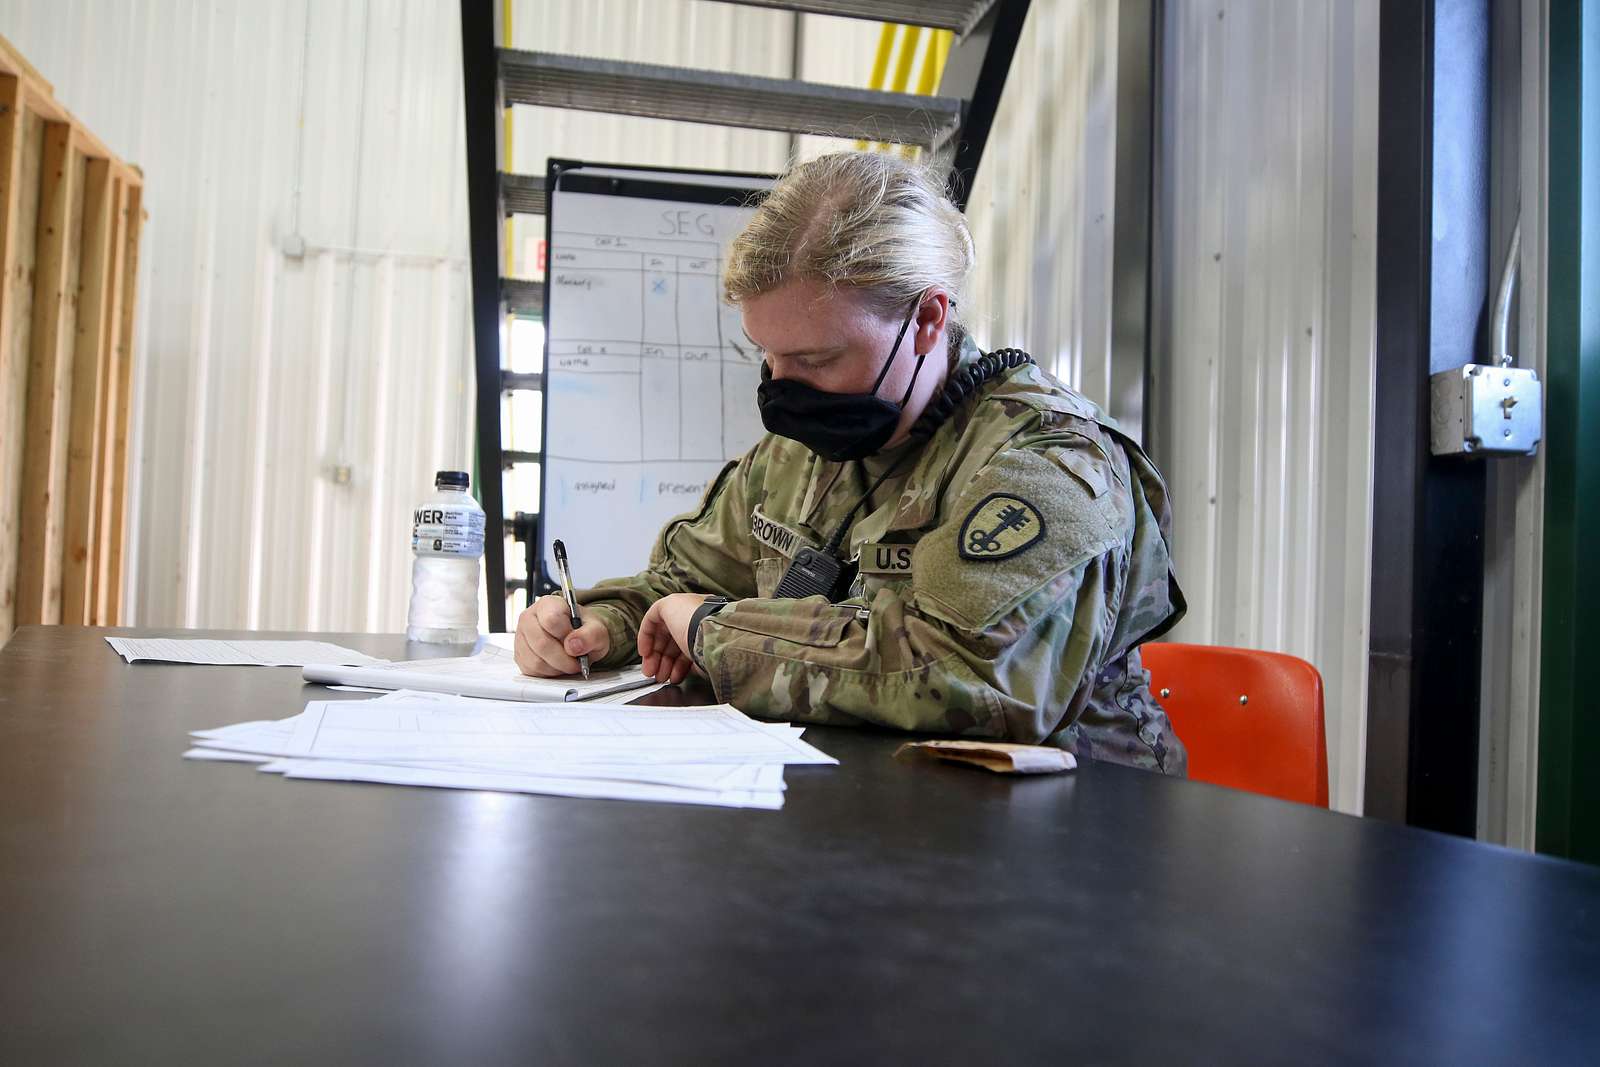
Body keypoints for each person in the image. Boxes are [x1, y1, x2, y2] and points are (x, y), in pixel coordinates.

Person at [514, 151, 1188, 774]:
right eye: (768, 356)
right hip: (862, 813)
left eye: (815, 359)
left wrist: (711, 629)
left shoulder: (1049, 457)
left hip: (1068, 835)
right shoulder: (799, 454)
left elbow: (963, 675)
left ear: (927, 319)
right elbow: (680, 581)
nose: (782, 388)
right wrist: (599, 625)